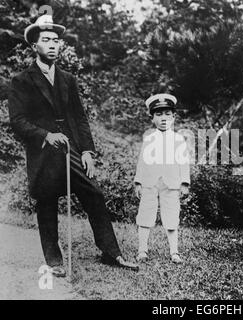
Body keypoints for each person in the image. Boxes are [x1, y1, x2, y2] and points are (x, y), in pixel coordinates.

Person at [8, 15, 139, 277]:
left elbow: (80, 118)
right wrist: (45, 135)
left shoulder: (68, 79)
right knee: (46, 203)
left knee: (94, 193)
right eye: (46, 40)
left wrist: (88, 152)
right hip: (43, 153)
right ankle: (54, 261)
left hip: (71, 150)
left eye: (56, 40)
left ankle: (111, 252)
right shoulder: (21, 81)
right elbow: (18, 121)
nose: (53, 45)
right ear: (35, 46)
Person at [134, 93, 190, 264]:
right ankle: (142, 250)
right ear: (152, 118)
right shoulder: (149, 138)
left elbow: (184, 162)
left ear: (174, 116)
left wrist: (185, 183)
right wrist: (138, 182)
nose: (163, 118)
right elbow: (142, 162)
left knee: (172, 215)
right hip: (150, 182)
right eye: (158, 114)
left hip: (171, 183)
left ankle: (174, 252)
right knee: (145, 214)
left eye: (167, 114)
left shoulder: (179, 139)